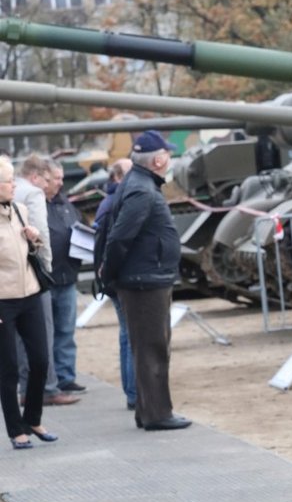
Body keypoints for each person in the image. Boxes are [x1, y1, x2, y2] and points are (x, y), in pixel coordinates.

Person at [100, 131, 190, 431]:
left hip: (146, 277)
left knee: (149, 347)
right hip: (144, 281)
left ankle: (148, 411)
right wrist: (109, 274)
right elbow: (120, 237)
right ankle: (157, 414)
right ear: (159, 159)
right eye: (168, 153)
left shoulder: (139, 183)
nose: (170, 158)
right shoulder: (142, 190)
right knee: (152, 349)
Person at [0, 158, 54, 449]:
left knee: (40, 360)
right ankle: (15, 429)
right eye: (9, 181)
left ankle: (33, 418)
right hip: (2, 302)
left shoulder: (19, 210)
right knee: (7, 367)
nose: (14, 186)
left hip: (30, 294)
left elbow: (30, 251)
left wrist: (34, 240)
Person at [18, 154, 80, 407]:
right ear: (35, 177)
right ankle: (48, 388)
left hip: (34, 276)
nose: (49, 185)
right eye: (48, 179)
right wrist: (46, 265)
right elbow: (40, 233)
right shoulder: (32, 194)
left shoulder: (60, 202)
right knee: (42, 333)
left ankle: (34, 387)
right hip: (39, 276)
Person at [93, 158, 137, 412]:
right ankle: (133, 393)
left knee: (125, 336)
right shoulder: (115, 204)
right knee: (131, 337)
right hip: (121, 280)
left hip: (113, 279)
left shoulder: (109, 202)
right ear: (118, 178)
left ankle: (130, 391)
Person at [43, 160, 84, 394]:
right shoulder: (35, 204)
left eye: (60, 178)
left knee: (66, 331)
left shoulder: (65, 204)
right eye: (56, 178)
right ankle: (49, 380)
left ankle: (66, 375)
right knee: (46, 333)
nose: (60, 182)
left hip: (67, 277)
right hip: (46, 281)